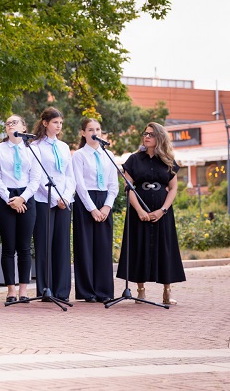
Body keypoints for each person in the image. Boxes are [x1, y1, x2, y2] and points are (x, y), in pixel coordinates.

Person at [117, 122, 186, 305]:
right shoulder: (134, 159)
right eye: (145, 133)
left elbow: (173, 188)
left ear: (159, 138)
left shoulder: (168, 161)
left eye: (151, 134)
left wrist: (162, 210)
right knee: (139, 247)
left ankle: (167, 292)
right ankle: (140, 291)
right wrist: (139, 210)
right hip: (138, 211)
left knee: (165, 248)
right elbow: (128, 187)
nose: (146, 137)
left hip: (162, 212)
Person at [0, 115, 41, 303]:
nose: (11, 125)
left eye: (15, 122)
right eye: (8, 123)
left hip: (27, 198)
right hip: (6, 198)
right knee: (9, 247)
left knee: (25, 247)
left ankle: (23, 291)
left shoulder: (32, 150)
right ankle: (11, 290)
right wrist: (11, 199)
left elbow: (36, 179)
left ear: (24, 127)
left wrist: (22, 198)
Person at [72, 118, 119, 303]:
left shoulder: (109, 155)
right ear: (83, 133)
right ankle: (87, 291)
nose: (95, 133)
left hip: (104, 199)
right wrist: (92, 209)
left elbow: (113, 184)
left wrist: (107, 206)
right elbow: (79, 184)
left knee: (103, 247)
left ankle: (104, 290)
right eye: (91, 129)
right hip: (86, 201)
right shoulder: (79, 155)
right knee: (85, 246)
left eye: (98, 129)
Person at [31, 107, 75, 301]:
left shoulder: (64, 147)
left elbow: (69, 175)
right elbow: (37, 175)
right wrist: (54, 198)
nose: (59, 126)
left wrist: (65, 196)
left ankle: (62, 291)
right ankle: (46, 290)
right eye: (55, 122)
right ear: (45, 123)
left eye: (60, 123)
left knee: (62, 246)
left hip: (64, 201)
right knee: (44, 245)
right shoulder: (35, 146)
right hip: (44, 200)